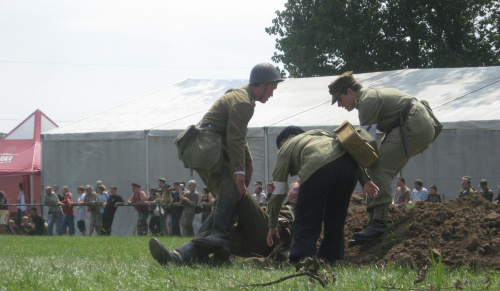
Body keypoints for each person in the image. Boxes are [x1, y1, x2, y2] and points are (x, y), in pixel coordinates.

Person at [181, 62, 283, 252]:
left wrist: (248, 164)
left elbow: (238, 136)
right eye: (272, 89)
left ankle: (186, 252)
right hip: (207, 147)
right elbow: (235, 138)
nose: (272, 94)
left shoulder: (242, 98)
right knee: (230, 187)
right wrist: (239, 174)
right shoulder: (244, 102)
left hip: (207, 146)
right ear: (262, 84)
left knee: (226, 199)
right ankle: (218, 235)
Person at [329, 71, 442, 240]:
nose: (339, 105)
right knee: (379, 169)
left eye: (339, 99)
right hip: (416, 124)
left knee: (378, 168)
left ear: (349, 92)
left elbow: (368, 145)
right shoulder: (368, 98)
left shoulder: (366, 101)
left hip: (413, 124)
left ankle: (379, 223)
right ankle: (374, 220)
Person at [265, 126, 379, 263]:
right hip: (350, 167)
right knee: (336, 215)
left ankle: (302, 258)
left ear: (282, 143)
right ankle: (332, 256)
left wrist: (272, 224)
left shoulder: (286, 148)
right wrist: (365, 180)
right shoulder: (322, 133)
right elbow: (347, 148)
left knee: (307, 215)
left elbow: (278, 190)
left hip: (318, 166)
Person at [149, 182, 300, 266]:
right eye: (294, 189)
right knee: (219, 225)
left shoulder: (308, 212)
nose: (297, 192)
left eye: (301, 190)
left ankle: (209, 254)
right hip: (248, 240)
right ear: (287, 191)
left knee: (235, 187)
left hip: (274, 239)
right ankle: (176, 258)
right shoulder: (276, 204)